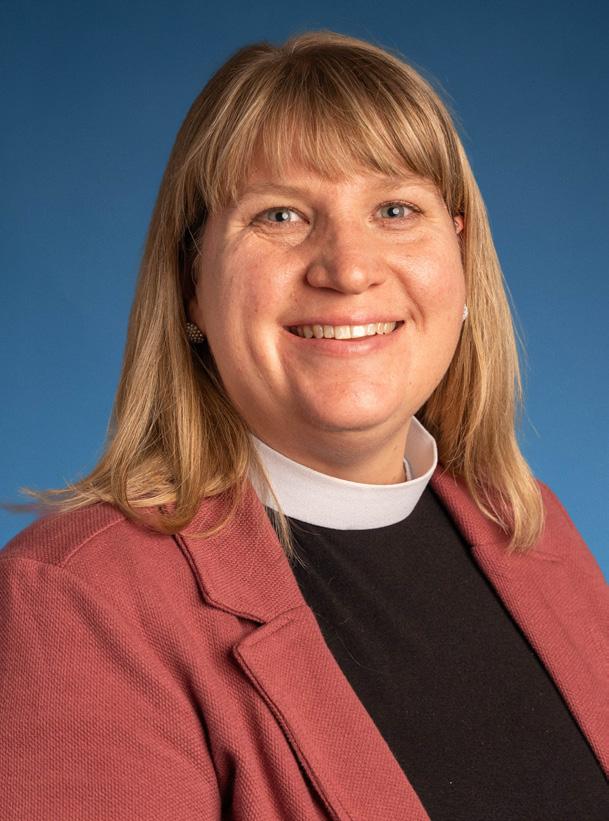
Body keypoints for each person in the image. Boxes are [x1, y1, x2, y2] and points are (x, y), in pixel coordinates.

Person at [1, 30, 607, 821]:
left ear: (460, 262)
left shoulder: (529, 527)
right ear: (191, 283)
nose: (347, 268)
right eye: (280, 214)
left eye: (395, 209)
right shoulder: (81, 599)